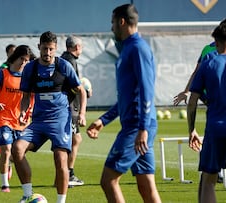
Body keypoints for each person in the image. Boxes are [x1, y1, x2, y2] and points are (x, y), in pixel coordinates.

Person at [86, 4, 161, 203]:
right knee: (146, 186)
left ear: (121, 21)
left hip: (137, 126)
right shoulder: (129, 48)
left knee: (108, 180)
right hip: (138, 125)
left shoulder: (137, 48)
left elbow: (147, 90)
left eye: (112, 23)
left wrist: (142, 128)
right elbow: (128, 96)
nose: (111, 28)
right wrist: (104, 120)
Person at [12, 31, 87, 203]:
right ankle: (27, 195)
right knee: (17, 148)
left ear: (56, 49)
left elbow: (81, 91)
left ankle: (60, 201)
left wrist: (82, 114)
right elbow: (25, 96)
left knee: (61, 159)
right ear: (39, 47)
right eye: (44, 49)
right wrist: (24, 112)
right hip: (38, 121)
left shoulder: (64, 66)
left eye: (51, 49)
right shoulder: (30, 68)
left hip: (60, 121)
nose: (47, 53)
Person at [174, 18, 226, 183]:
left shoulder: (209, 54)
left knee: (207, 184)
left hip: (211, 103)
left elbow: (196, 74)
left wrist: (186, 91)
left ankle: (217, 171)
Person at [0, 45, 35, 193]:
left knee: (20, 153)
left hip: (21, 121)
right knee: (6, 150)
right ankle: (5, 185)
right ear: (15, 57)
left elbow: (31, 98)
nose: (23, 63)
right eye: (22, 59)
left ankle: (10, 162)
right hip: (3, 118)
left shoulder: (29, 78)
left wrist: (28, 114)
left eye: (27, 61)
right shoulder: (3, 74)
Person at [60, 35, 90, 187]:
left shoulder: (65, 58)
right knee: (74, 140)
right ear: (77, 47)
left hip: (67, 106)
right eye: (81, 46)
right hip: (69, 107)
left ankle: (63, 175)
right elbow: (72, 86)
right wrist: (84, 90)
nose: (81, 49)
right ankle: (68, 174)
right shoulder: (70, 61)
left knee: (70, 141)